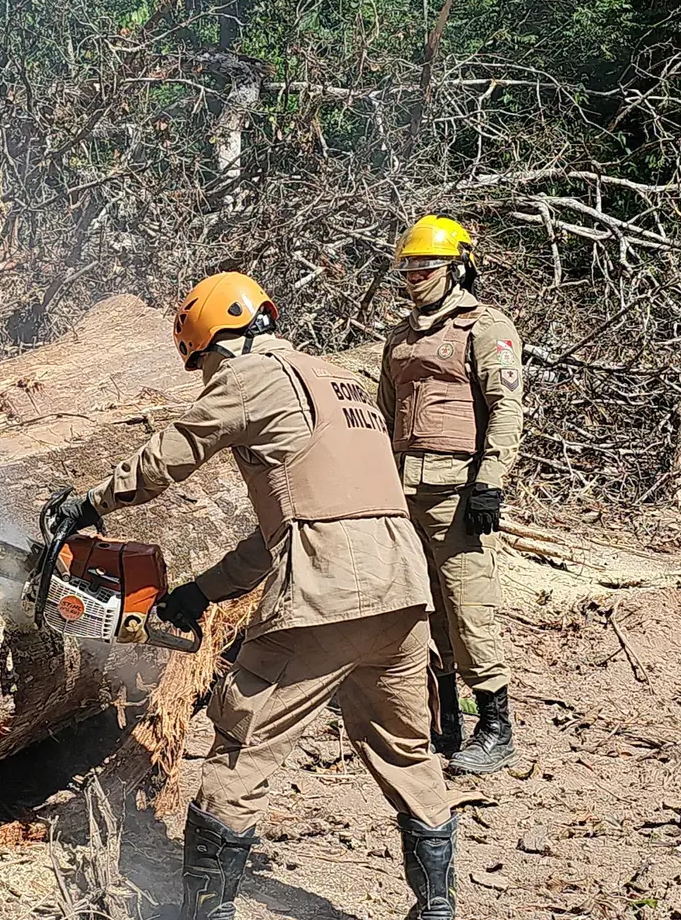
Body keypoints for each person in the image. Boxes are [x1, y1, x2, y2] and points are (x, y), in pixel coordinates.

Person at [50, 272, 459, 920]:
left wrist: (92, 502)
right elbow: (304, 518)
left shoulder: (252, 375)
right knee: (406, 748)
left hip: (330, 590)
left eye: (203, 362)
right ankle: (437, 906)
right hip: (405, 593)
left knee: (240, 746)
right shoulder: (341, 380)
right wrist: (202, 591)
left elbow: (173, 452)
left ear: (217, 339)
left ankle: (204, 912)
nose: (207, 377)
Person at [378, 215, 524, 776]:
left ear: (458, 266)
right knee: (423, 609)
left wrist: (489, 482)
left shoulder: (486, 327)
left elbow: (507, 407)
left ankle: (497, 729)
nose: (415, 276)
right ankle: (444, 724)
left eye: (426, 265)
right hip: (402, 492)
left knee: (469, 611)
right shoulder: (400, 336)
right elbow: (387, 415)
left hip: (457, 492)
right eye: (409, 267)